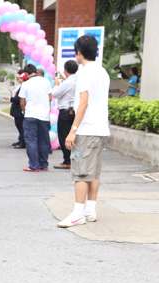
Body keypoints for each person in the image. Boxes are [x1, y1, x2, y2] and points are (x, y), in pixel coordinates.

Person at [58, 35, 111, 228]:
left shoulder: (84, 73)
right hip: (100, 129)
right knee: (94, 172)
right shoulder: (102, 72)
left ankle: (77, 214)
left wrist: (73, 130)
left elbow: (83, 103)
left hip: (86, 129)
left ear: (79, 53)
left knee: (80, 172)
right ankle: (90, 210)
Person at [19, 64, 52, 172]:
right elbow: (50, 97)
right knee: (43, 141)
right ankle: (43, 164)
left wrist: (24, 110)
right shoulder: (46, 82)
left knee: (31, 141)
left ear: (26, 73)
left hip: (30, 115)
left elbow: (22, 101)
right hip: (44, 116)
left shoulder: (25, 84)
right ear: (35, 71)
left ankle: (34, 165)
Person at [52, 60, 79, 169]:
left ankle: (67, 161)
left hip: (65, 112)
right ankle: (75, 160)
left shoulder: (67, 82)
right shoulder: (78, 80)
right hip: (75, 111)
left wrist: (57, 84)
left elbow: (55, 94)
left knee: (64, 136)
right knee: (74, 137)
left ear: (65, 70)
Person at [10, 70, 27, 149]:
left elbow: (18, 99)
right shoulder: (20, 86)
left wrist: (11, 98)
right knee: (19, 126)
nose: (18, 79)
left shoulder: (23, 87)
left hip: (19, 110)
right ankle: (20, 140)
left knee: (21, 127)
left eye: (20, 78)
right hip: (17, 110)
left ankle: (23, 142)